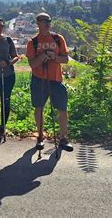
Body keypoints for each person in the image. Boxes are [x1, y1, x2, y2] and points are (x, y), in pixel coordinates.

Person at [26, 13, 74, 152]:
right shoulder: (32, 42)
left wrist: (54, 57)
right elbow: (32, 64)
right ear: (38, 23)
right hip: (38, 80)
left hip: (56, 79)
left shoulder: (58, 39)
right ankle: (40, 137)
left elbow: (65, 59)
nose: (47, 23)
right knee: (39, 108)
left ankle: (63, 138)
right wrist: (42, 57)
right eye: (43, 21)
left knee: (62, 109)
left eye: (49, 20)